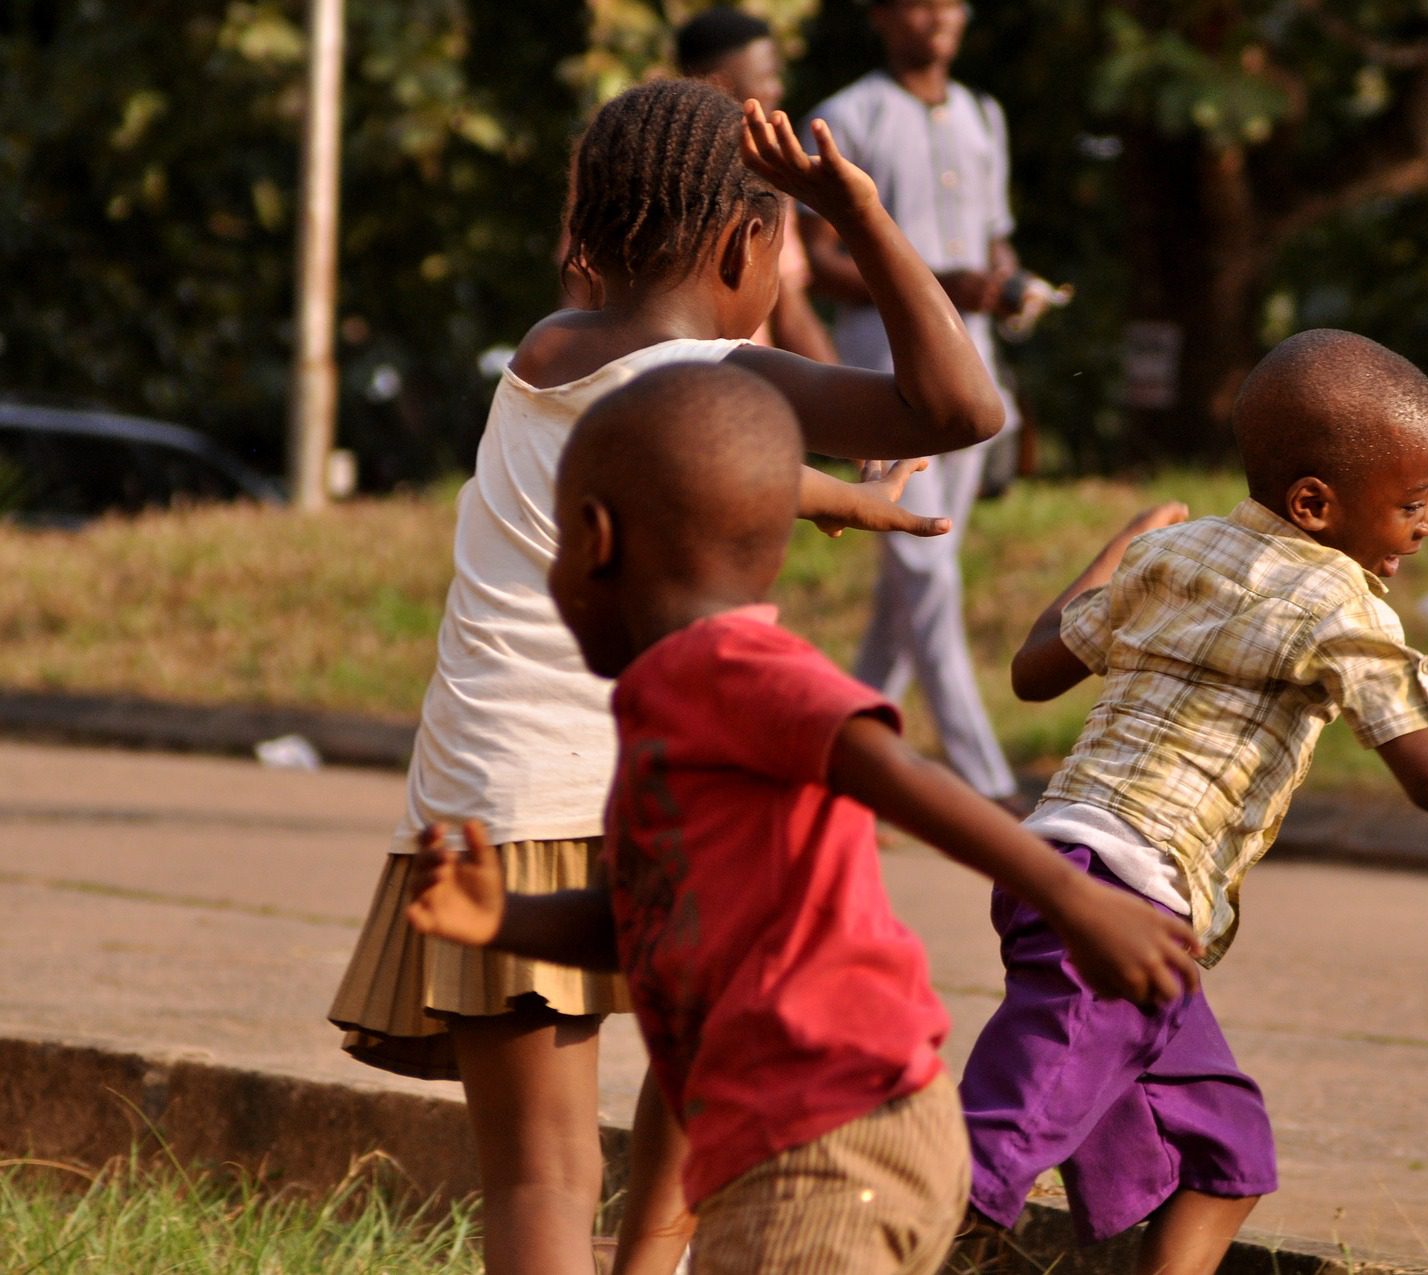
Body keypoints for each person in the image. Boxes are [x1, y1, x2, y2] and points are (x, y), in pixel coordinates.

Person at [328, 80, 1009, 1275]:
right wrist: (860, 211)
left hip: (497, 787)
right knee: (703, 1078)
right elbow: (960, 405)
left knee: (539, 1176)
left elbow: (663, 453)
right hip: (659, 781)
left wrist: (832, 495)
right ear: (755, 239)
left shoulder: (554, 350)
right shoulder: (714, 372)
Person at [404, 361, 1202, 1274]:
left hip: (828, 1145)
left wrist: (1072, 895)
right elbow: (649, 921)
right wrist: (503, 918)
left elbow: (886, 764)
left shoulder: (727, 666)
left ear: (592, 539)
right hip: (797, 1148)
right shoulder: (671, 702)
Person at [961, 328, 1428, 1275]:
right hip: (1124, 897)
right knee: (989, 1156)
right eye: (1413, 502)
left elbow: (1034, 667)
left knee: (1227, 1156)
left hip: (1069, 870)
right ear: (1316, 505)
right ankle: (849, 1235)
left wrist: (1123, 547)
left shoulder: (1176, 555)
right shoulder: (1344, 607)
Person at [801, 0, 1028, 808]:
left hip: (974, 370)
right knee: (924, 564)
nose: (936, 18)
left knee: (912, 583)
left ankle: (837, 768)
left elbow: (994, 236)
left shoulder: (982, 113)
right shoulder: (847, 115)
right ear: (880, 13)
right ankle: (988, 783)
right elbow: (816, 259)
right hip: (883, 370)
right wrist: (937, 284)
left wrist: (1002, 287)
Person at [675, 7, 838, 363]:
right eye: (766, 77)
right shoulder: (630, 163)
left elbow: (789, 305)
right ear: (717, 85)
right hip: (650, 386)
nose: (776, 89)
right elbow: (583, 290)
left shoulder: (770, 170)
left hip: (745, 386)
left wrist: (850, 398)